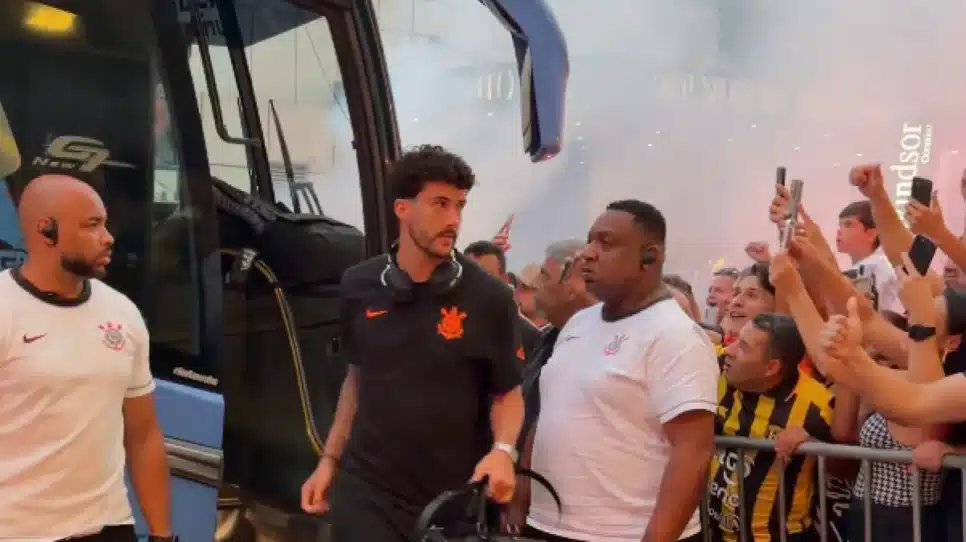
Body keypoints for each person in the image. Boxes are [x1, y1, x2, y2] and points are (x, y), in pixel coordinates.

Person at [300, 145, 524, 541]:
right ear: (402, 209)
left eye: (460, 206)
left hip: (452, 502)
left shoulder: (490, 298)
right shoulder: (358, 284)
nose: (453, 220)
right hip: (367, 491)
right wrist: (329, 461)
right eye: (440, 204)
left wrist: (503, 451)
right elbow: (357, 379)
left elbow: (507, 393)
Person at [522, 200, 718, 542]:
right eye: (590, 241)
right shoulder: (577, 324)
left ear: (650, 257)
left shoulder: (675, 335)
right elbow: (549, 415)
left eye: (606, 243)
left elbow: (693, 452)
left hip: (623, 533)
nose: (588, 253)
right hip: (546, 526)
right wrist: (520, 497)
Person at [0, 175, 173, 541]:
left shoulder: (122, 313)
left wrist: (162, 535)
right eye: (92, 225)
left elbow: (143, 435)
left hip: (108, 526)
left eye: (105, 224)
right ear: (46, 230)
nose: (108, 237)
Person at [712, 313, 833, 542]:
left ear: (771, 367)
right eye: (735, 340)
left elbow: (847, 467)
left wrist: (813, 441)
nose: (729, 350)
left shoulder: (817, 406)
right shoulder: (714, 366)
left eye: (743, 346)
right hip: (712, 533)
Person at [464, 239, 542, 359]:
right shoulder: (442, 323)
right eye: (468, 276)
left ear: (504, 280)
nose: (475, 284)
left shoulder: (529, 338)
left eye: (486, 276)